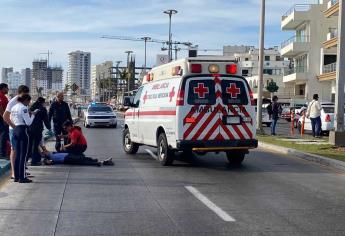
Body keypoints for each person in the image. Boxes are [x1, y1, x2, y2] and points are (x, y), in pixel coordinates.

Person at [3, 85, 30, 179]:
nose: (26, 96)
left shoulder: (22, 102)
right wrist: (14, 127)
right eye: (25, 94)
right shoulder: (13, 102)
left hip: (20, 128)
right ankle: (14, 173)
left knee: (20, 151)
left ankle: (20, 171)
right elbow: (5, 116)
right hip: (14, 129)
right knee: (14, 150)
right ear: (21, 93)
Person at [11, 94, 37, 183]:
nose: (28, 103)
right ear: (25, 100)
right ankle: (22, 177)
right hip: (22, 131)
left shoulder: (14, 107)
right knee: (23, 155)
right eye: (28, 101)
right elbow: (28, 122)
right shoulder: (23, 108)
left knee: (17, 155)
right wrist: (33, 115)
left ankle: (16, 176)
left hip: (15, 130)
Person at [28, 97, 51, 166]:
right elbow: (46, 119)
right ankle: (34, 161)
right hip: (37, 129)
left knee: (30, 145)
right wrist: (49, 128)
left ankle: (28, 159)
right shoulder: (43, 109)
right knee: (35, 145)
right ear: (42, 102)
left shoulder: (31, 107)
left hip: (29, 128)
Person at [0, 83, 9, 159]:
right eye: (7, 88)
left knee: (4, 136)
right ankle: (2, 154)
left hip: (3, 118)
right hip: (2, 119)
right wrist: (4, 118)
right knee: (3, 135)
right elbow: (0, 107)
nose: (8, 89)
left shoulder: (3, 96)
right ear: (3, 88)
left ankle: (4, 152)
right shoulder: (1, 96)